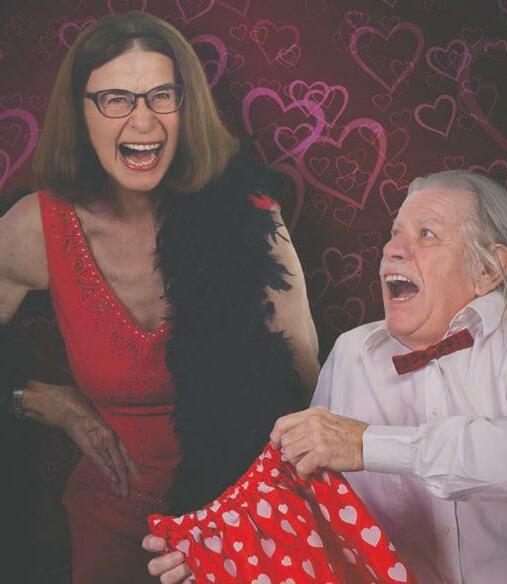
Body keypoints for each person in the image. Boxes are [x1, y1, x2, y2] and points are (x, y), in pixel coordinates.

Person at [0, 10, 319, 584]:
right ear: (80, 112)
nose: (143, 121)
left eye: (162, 96)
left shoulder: (249, 218)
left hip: (239, 517)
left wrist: (266, 523)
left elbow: (305, 378)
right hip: (111, 523)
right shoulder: (37, 228)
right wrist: (38, 399)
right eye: (115, 99)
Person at [147, 169, 507, 583]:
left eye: (427, 234)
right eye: (394, 234)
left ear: (488, 269)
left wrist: (367, 444)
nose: (393, 250)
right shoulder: (354, 352)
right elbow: (311, 515)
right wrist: (223, 554)